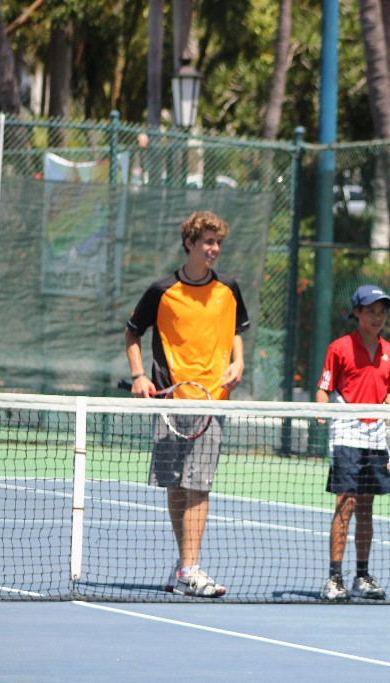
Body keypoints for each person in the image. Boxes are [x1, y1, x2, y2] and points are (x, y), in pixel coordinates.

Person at [124, 211, 248, 598]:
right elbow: (132, 331)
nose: (214, 249)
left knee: (198, 485)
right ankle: (185, 566)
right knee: (176, 485)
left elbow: (236, 331)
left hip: (213, 402)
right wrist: (139, 375)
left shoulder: (228, 287)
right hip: (171, 398)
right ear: (190, 244)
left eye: (218, 243)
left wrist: (238, 362)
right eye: (208, 242)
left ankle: (190, 568)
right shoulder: (162, 291)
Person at [315, 285, 390, 602]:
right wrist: (320, 411)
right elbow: (324, 389)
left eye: (382, 312)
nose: (377, 317)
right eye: (370, 311)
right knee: (345, 503)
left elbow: (387, 394)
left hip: (376, 436)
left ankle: (361, 576)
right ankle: (334, 578)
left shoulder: (389, 352)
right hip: (346, 431)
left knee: (366, 508)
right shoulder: (339, 348)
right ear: (357, 314)